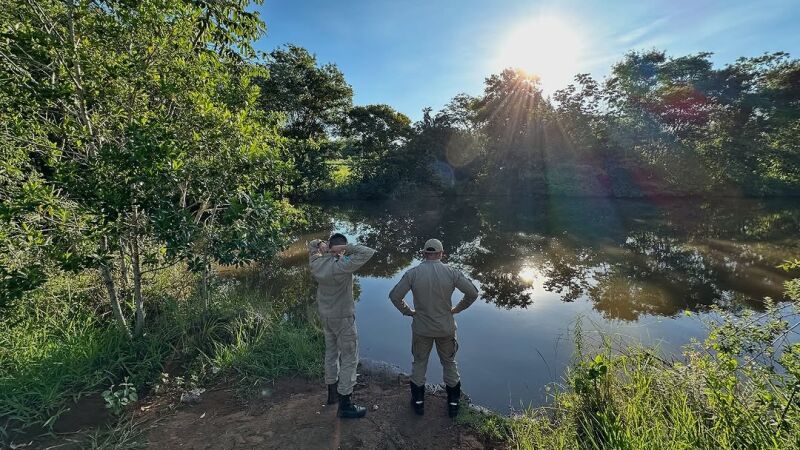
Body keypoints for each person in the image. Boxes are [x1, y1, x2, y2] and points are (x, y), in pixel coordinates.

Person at [388, 238, 479, 418]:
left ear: (424, 254)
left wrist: (409, 312)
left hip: (422, 328)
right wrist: (456, 310)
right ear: (441, 254)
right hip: (446, 328)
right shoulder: (452, 273)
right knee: (449, 363)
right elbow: (472, 293)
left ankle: (419, 403)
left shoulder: (413, 273)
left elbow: (394, 296)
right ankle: (453, 404)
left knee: (419, 363)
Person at [308, 233, 376, 419]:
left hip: (326, 316)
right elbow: (368, 252)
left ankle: (332, 395)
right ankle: (345, 404)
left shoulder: (316, 263)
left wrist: (322, 244)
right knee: (349, 358)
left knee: (331, 353)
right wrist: (345, 249)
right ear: (341, 249)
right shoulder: (343, 265)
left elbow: (312, 246)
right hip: (343, 318)